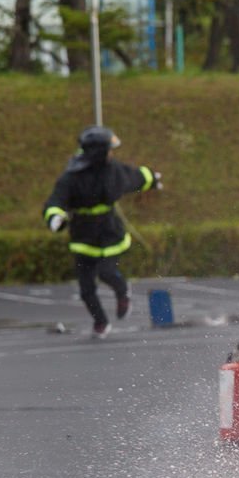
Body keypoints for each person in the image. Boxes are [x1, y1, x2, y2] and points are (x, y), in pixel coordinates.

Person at [42, 127, 162, 338]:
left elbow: (132, 176)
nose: (111, 154)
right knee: (86, 289)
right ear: (97, 152)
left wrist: (152, 178)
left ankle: (122, 292)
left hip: (109, 233)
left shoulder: (111, 169)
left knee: (106, 272)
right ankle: (101, 322)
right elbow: (55, 200)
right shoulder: (72, 177)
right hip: (83, 237)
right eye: (108, 150)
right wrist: (55, 218)